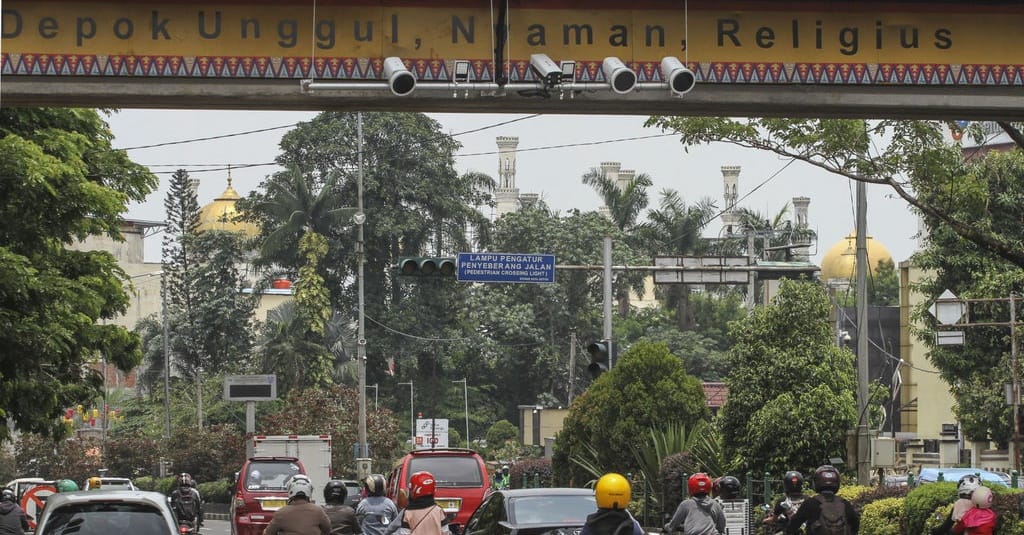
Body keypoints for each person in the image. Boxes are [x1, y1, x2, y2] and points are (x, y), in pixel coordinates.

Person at [785, 465, 859, 535]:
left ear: (816, 482)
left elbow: (793, 525)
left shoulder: (810, 503)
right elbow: (855, 525)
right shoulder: (845, 503)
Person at [264, 477, 331, 535]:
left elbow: (268, 533)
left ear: (290, 490)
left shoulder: (281, 513)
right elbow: (327, 529)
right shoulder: (318, 511)